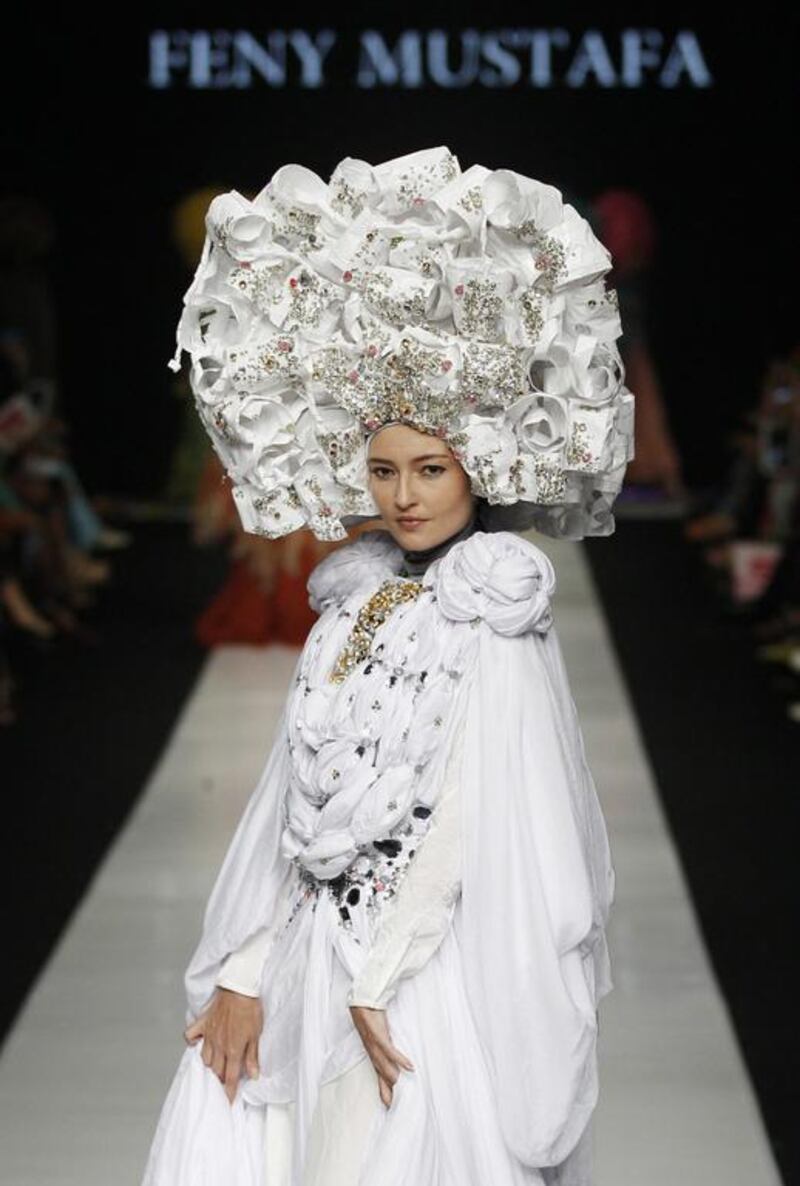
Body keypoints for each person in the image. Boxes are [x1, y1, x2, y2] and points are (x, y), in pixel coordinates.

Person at [142, 146, 634, 1185]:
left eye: (428, 469)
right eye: (380, 470)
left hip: (414, 975)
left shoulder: (490, 604)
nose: (403, 495)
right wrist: (241, 967)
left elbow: (468, 815)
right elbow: (294, 795)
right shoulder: (353, 593)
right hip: (309, 955)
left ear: (477, 468)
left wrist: (380, 975)